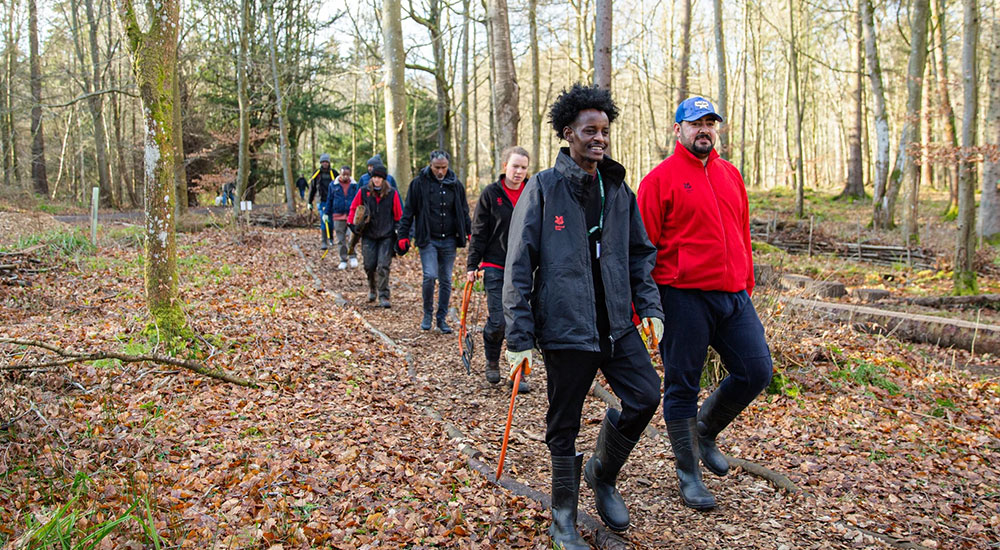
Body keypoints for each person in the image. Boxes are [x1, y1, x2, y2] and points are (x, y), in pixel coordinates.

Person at [503, 83, 663, 548]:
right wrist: (518, 338)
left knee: (645, 395)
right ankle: (563, 517)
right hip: (566, 329)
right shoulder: (544, 187)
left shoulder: (616, 188)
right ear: (568, 132)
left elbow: (639, 253)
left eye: (604, 130)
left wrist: (649, 306)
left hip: (616, 325)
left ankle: (603, 473)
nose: (599, 138)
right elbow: (518, 264)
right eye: (589, 130)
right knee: (564, 422)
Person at [637, 96, 773, 511]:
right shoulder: (659, 179)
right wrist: (645, 308)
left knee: (756, 370)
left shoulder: (731, 174)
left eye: (711, 123)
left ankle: (706, 429)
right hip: (682, 297)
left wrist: (746, 283)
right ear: (677, 129)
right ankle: (688, 473)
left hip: (732, 295)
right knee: (683, 385)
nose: (704, 130)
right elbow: (641, 249)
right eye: (695, 123)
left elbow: (741, 232)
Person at [466, 146, 532, 392]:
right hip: (495, 264)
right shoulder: (491, 194)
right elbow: (479, 232)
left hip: (525, 266)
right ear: (505, 167)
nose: (519, 172)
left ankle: (519, 371)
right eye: (515, 166)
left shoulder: (532, 192)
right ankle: (492, 358)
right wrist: (472, 264)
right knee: (499, 320)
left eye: (523, 168)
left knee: (522, 320)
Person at [398, 150, 471, 334]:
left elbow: (463, 211)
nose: (440, 171)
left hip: (449, 240)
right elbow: (408, 212)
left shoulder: (455, 185)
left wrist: (469, 233)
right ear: (430, 165)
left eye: (444, 168)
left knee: (446, 279)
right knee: (430, 275)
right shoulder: (418, 184)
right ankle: (427, 314)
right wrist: (403, 236)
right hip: (427, 238)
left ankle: (442, 318)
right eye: (437, 167)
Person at [348, 164, 402, 308]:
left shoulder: (392, 193)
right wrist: (351, 223)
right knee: (369, 265)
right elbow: (354, 207)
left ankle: (384, 295)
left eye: (379, 178)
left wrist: (400, 232)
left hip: (386, 235)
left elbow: (398, 214)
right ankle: (372, 287)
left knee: (383, 265)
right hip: (369, 234)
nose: (377, 180)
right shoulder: (364, 191)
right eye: (374, 177)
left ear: (384, 179)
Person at [324, 165, 360, 269]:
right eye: (343, 174)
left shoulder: (354, 185)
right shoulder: (333, 185)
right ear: (340, 174)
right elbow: (329, 199)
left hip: (351, 216)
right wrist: (327, 213)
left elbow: (358, 199)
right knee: (340, 239)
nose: (345, 177)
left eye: (347, 175)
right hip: (337, 215)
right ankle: (343, 259)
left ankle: (353, 256)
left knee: (352, 237)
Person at [308, 153, 338, 250]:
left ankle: (331, 239)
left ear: (329, 163)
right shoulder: (316, 174)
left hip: (332, 200)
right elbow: (312, 188)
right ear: (321, 163)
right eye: (323, 162)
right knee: (324, 220)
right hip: (320, 200)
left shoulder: (334, 173)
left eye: (326, 162)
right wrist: (309, 202)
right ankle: (324, 241)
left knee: (331, 221)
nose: (325, 163)